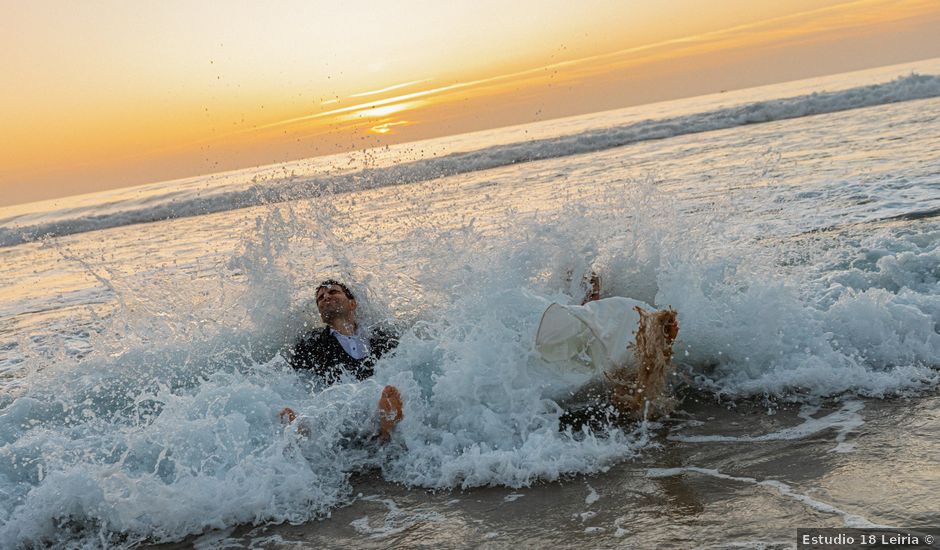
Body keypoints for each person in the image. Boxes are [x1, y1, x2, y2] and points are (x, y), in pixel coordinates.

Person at [535, 273, 680, 428]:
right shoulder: (619, 319)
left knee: (598, 328)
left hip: (620, 336)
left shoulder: (618, 319)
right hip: (620, 335)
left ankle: (583, 283)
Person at [279, 280, 403, 440]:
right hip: (336, 420)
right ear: (322, 316)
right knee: (288, 415)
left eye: (333, 292)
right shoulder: (310, 343)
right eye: (320, 298)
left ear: (352, 304)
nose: (326, 297)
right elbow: (297, 384)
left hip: (377, 413)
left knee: (391, 395)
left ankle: (385, 440)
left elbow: (403, 368)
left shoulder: (381, 337)